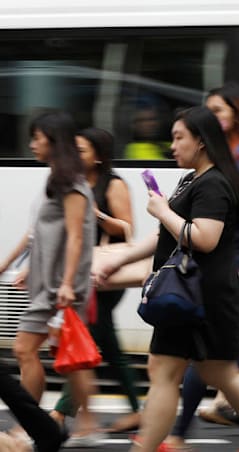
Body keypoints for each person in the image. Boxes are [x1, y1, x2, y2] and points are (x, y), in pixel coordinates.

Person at [94, 106, 239, 452]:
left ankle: (144, 448)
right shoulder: (193, 179)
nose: (172, 145)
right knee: (220, 375)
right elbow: (166, 237)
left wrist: (162, 210)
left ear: (202, 142)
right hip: (197, 295)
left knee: (167, 372)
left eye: (179, 138)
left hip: (199, 296)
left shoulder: (214, 183)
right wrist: (119, 258)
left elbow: (204, 238)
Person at [165, 82, 239, 447]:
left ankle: (180, 432)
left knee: (215, 361)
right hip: (216, 263)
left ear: (236, 115)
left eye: (219, 111)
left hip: (232, 261)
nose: (212, 116)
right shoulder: (211, 166)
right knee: (212, 363)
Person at [11, 111, 102, 446]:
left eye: (38, 138)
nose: (33, 144)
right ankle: (87, 423)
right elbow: (39, 233)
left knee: (25, 349)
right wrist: (13, 263)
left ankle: (29, 423)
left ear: (55, 140)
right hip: (48, 283)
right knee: (70, 360)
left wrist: (65, 284)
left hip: (60, 287)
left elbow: (77, 237)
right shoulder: (56, 180)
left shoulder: (73, 185)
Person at [50, 127, 142, 435]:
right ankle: (136, 409)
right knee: (104, 343)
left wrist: (97, 214)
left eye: (83, 150)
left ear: (99, 157)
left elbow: (126, 229)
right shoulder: (74, 184)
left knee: (89, 337)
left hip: (105, 275)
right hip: (82, 272)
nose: (75, 155)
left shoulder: (113, 184)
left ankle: (62, 412)